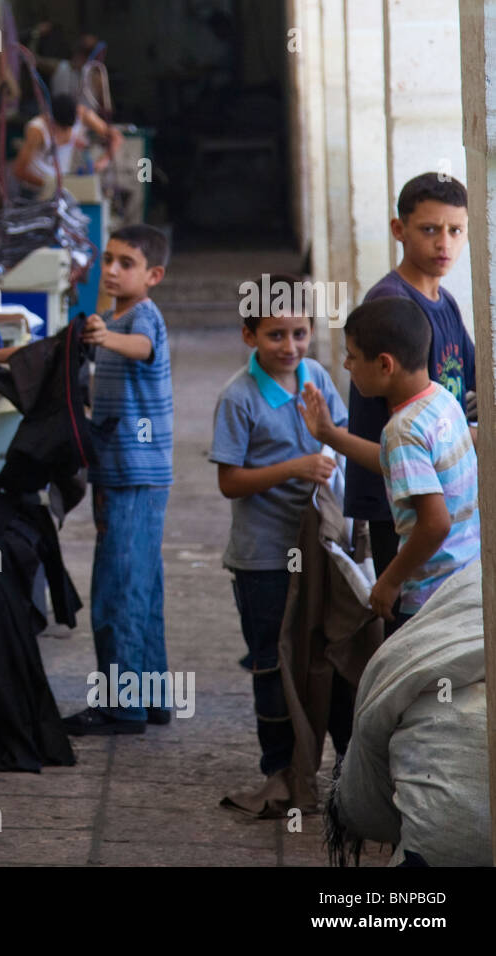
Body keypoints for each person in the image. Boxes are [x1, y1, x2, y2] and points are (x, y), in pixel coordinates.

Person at [209, 279, 352, 803]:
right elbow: (229, 482)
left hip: (320, 546)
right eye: (275, 335)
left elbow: (338, 432)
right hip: (263, 555)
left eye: (299, 333)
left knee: (326, 653)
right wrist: (294, 466)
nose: (289, 347)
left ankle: (336, 767)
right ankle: (279, 768)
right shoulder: (238, 397)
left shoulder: (315, 375)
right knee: (270, 661)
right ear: (249, 336)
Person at [343, 173, 477, 632]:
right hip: (401, 504)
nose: (445, 244)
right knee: (407, 624)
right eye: (429, 229)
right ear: (399, 230)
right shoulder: (391, 306)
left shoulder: (448, 303)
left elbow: (472, 391)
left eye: (455, 231)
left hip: (436, 501)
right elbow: (407, 434)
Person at [301, 297, 479, 626]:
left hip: (429, 596)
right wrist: (328, 433)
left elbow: (434, 524)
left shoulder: (403, 430)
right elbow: (394, 463)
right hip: (465, 576)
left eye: (352, 357)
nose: (346, 366)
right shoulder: (441, 399)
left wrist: (389, 581)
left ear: (385, 365)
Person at [61, 225, 174, 734]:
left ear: (153, 275)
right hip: (121, 471)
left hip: (135, 473)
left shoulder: (140, 319)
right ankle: (150, 697)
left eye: (126, 262)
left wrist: (107, 337)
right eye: (108, 259)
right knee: (140, 589)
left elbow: (143, 347)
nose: (111, 270)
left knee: (117, 592)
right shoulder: (108, 318)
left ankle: (120, 706)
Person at [11, 93, 122, 198]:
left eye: (70, 128)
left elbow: (116, 137)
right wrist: (51, 185)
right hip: (36, 190)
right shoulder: (37, 131)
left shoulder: (83, 114)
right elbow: (19, 170)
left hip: (64, 187)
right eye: (63, 129)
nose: (68, 132)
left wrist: (103, 161)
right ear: (52, 120)